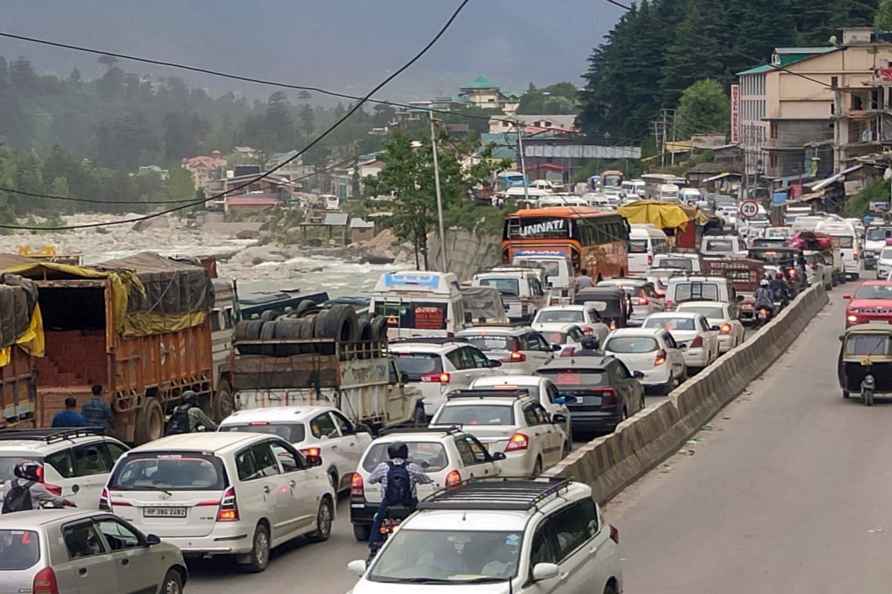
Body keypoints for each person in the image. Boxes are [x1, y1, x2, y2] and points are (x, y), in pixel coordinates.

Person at [367, 442, 432, 552]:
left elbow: (370, 480)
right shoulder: (412, 467)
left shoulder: (383, 467)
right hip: (409, 505)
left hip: (387, 505)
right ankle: (422, 545)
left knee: (378, 519)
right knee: (419, 521)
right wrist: (423, 481)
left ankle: (374, 546)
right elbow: (425, 479)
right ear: (405, 453)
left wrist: (381, 480)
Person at [1, 462, 74, 513]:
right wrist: (70, 503)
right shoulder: (36, 486)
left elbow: (5, 499)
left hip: (10, 517)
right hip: (30, 517)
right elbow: (55, 499)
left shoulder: (8, 484)